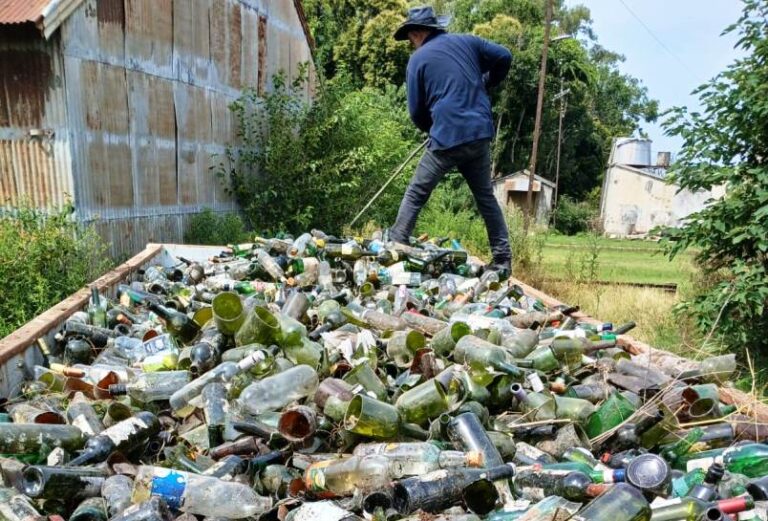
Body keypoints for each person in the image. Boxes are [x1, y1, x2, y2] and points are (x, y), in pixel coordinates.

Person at [389, 6, 513, 278]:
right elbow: (505, 56)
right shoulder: (468, 41)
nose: (411, 43)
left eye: (411, 38)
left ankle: (397, 242)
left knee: (417, 191)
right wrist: (487, 82)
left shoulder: (417, 60)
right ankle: (502, 260)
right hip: (479, 133)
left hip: (446, 137)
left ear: (418, 33)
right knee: (485, 198)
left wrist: (432, 128)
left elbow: (415, 111)